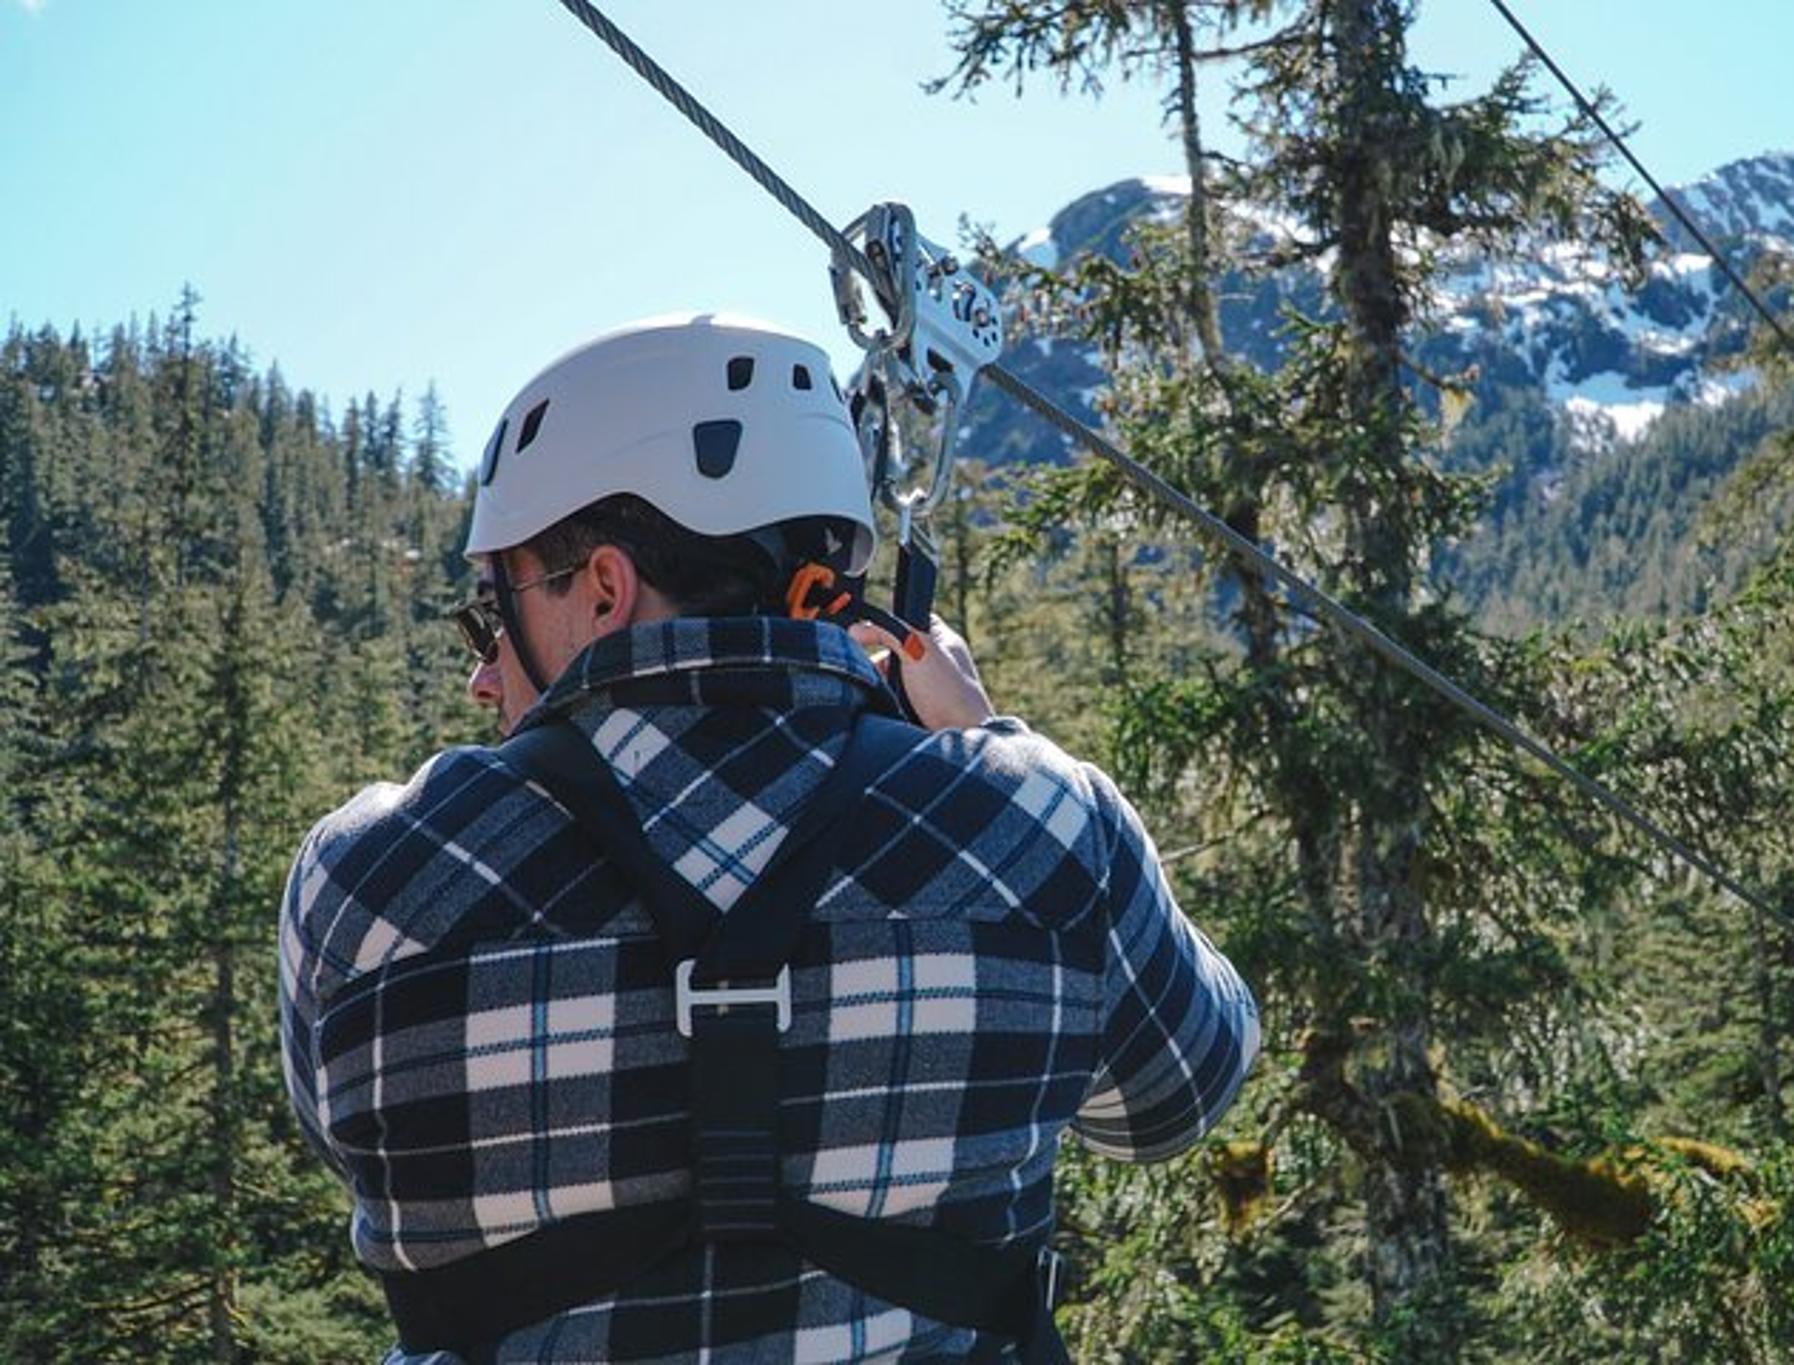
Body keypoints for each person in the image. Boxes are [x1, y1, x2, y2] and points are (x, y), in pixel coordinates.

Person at [278, 312, 1260, 1363]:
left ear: (603, 587)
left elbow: (359, 1146)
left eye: (491, 611)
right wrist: (982, 742)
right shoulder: (1040, 827)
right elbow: (1172, 1100)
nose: (483, 669)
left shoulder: (369, 879)